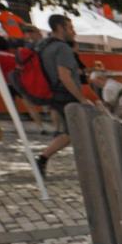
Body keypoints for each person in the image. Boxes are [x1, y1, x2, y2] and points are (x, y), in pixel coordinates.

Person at [32, 14, 95, 177]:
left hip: (55, 93)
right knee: (81, 128)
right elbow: (64, 75)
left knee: (72, 132)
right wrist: (81, 98)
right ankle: (89, 165)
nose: (74, 31)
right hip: (67, 95)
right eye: (71, 27)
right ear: (61, 28)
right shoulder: (62, 48)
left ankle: (43, 158)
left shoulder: (44, 46)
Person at [0, 35, 49, 135]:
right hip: (19, 83)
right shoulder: (12, 55)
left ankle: (18, 128)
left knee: (12, 107)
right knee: (30, 106)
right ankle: (41, 127)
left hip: (6, 84)